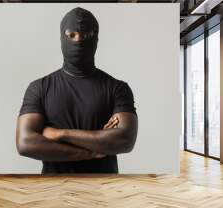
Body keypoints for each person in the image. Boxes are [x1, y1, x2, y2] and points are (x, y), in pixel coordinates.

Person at [16, 7, 138, 174]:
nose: (78, 40)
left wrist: (61, 134)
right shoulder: (39, 87)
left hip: (103, 189)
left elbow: (125, 140)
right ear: (61, 38)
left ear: (96, 38)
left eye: (86, 35)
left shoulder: (117, 88)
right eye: (71, 35)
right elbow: (25, 143)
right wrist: (93, 149)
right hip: (54, 190)